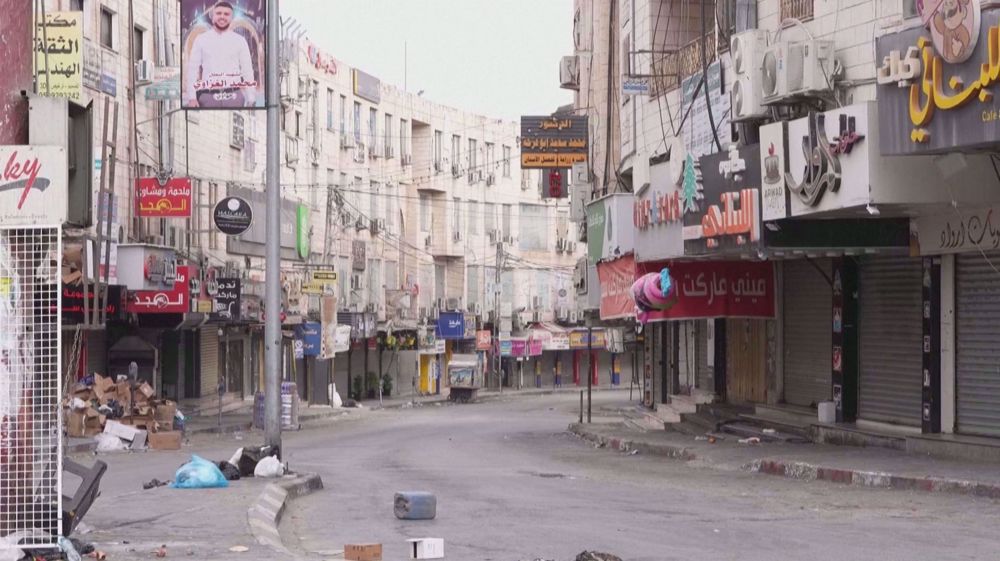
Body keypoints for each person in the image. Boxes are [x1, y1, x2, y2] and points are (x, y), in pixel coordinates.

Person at [184, 1, 257, 108]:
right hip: (208, 97)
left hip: (234, 97)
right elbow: (192, 70)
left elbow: (247, 71)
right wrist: (192, 97)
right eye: (218, 13)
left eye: (226, 14)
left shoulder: (240, 41)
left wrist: (251, 98)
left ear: (231, 18)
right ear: (212, 17)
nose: (222, 17)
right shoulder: (201, 40)